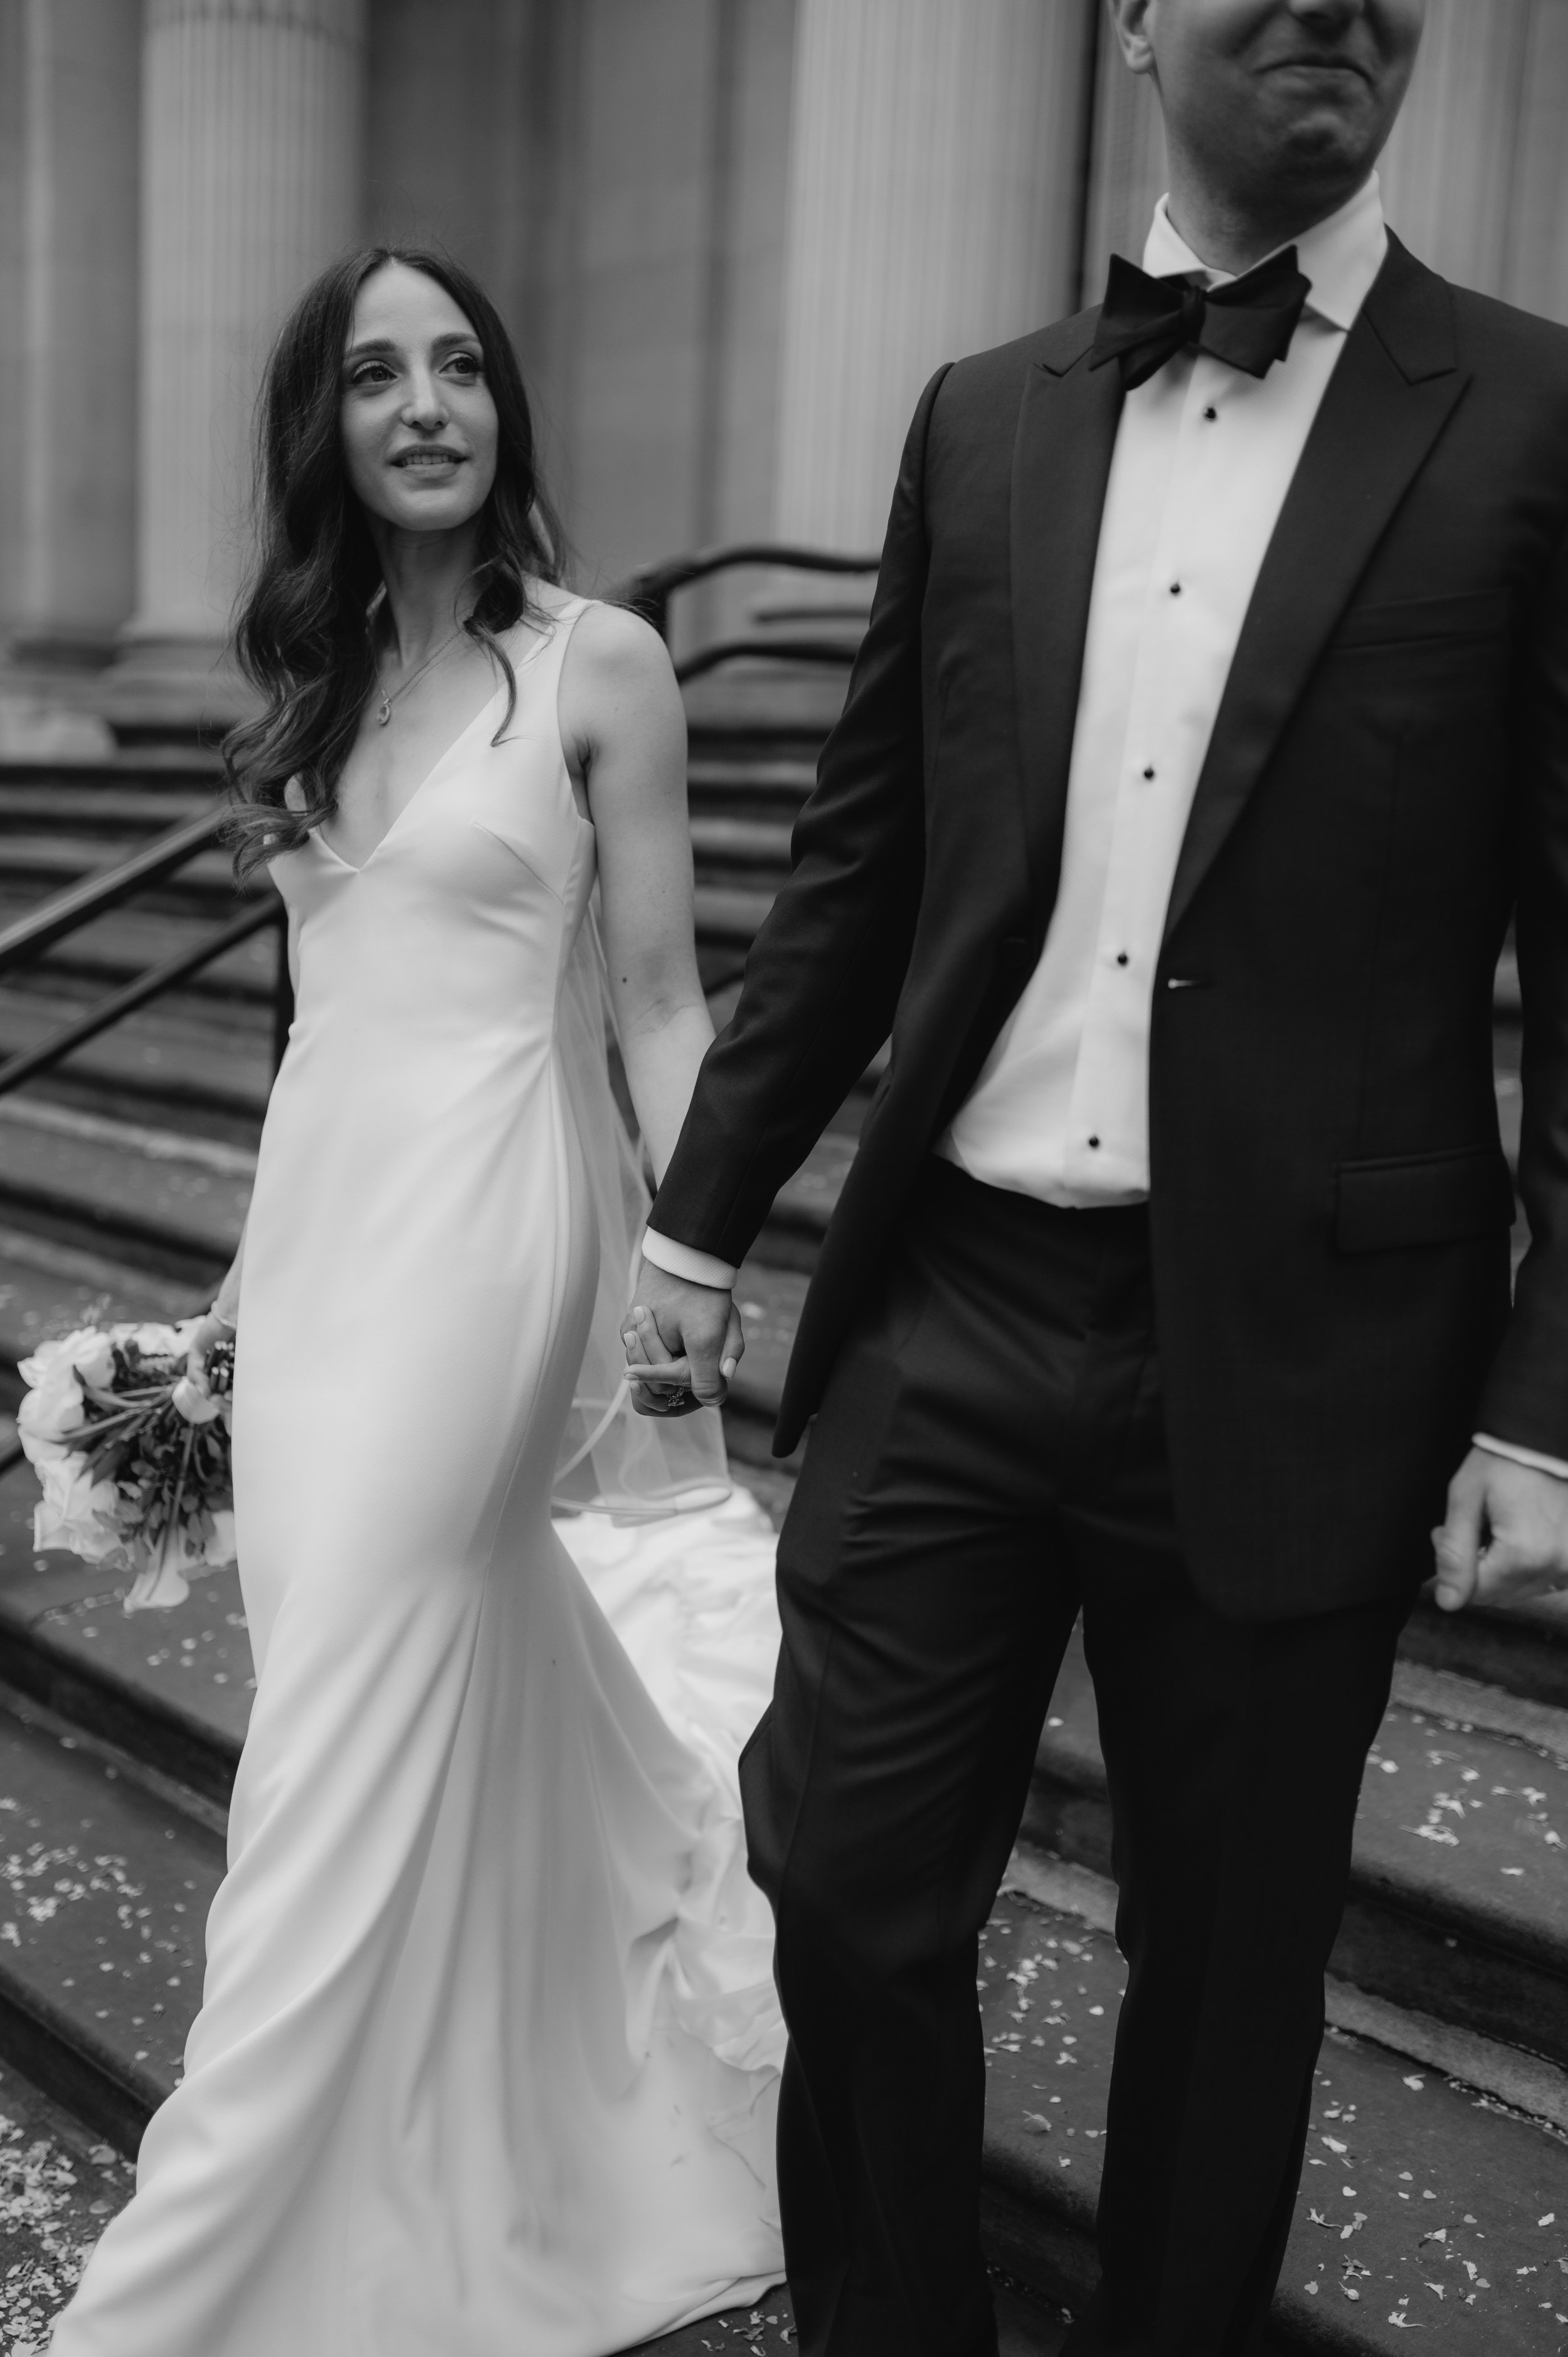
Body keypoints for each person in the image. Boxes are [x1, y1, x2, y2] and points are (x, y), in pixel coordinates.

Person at [625, 2, 1568, 2350]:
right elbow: (861, 866)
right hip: (951, 1299)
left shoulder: (1538, 417)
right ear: (1133, 14)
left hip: (1308, 1348)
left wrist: (1542, 1402)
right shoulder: (984, 412)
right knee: (840, 1889)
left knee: (1229, 1971)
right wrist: (694, 1218)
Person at [50, 247, 784, 2357]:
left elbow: (656, 1000)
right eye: (377, 375)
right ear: (327, 425)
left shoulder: (605, 666)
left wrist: (693, 1251)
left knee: (342, 1708)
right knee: (377, 1673)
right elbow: (319, 1025)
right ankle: (511, 2105)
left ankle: (201, 2258)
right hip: (325, 1233)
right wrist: (240, 1295)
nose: (427, 403)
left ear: (506, 408)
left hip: (497, 1230)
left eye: (460, 365)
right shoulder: (296, 684)